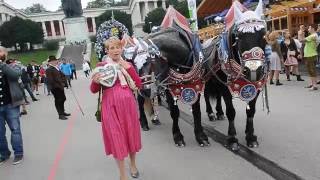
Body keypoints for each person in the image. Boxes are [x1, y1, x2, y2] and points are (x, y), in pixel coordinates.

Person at [90, 37, 142, 180]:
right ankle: (122, 174)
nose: (115, 50)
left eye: (117, 47)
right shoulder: (102, 65)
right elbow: (93, 89)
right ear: (107, 51)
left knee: (130, 134)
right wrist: (95, 81)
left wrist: (129, 69)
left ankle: (132, 164)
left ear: (121, 48)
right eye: (111, 48)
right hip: (110, 106)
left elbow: (138, 84)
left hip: (128, 106)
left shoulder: (128, 64)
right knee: (116, 137)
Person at [0, 46, 25, 165]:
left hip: (11, 104)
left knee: (15, 129)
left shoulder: (13, 65)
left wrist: (2, 64)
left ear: (5, 54)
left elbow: (16, 75)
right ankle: (4, 153)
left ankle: (18, 153)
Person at [303, 25, 318, 90]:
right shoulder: (312, 35)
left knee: (312, 70)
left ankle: (314, 85)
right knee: (310, 70)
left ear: (312, 28)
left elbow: (301, 40)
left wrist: (300, 33)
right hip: (309, 55)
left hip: (311, 55)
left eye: (309, 28)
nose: (308, 29)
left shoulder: (313, 36)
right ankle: (312, 84)